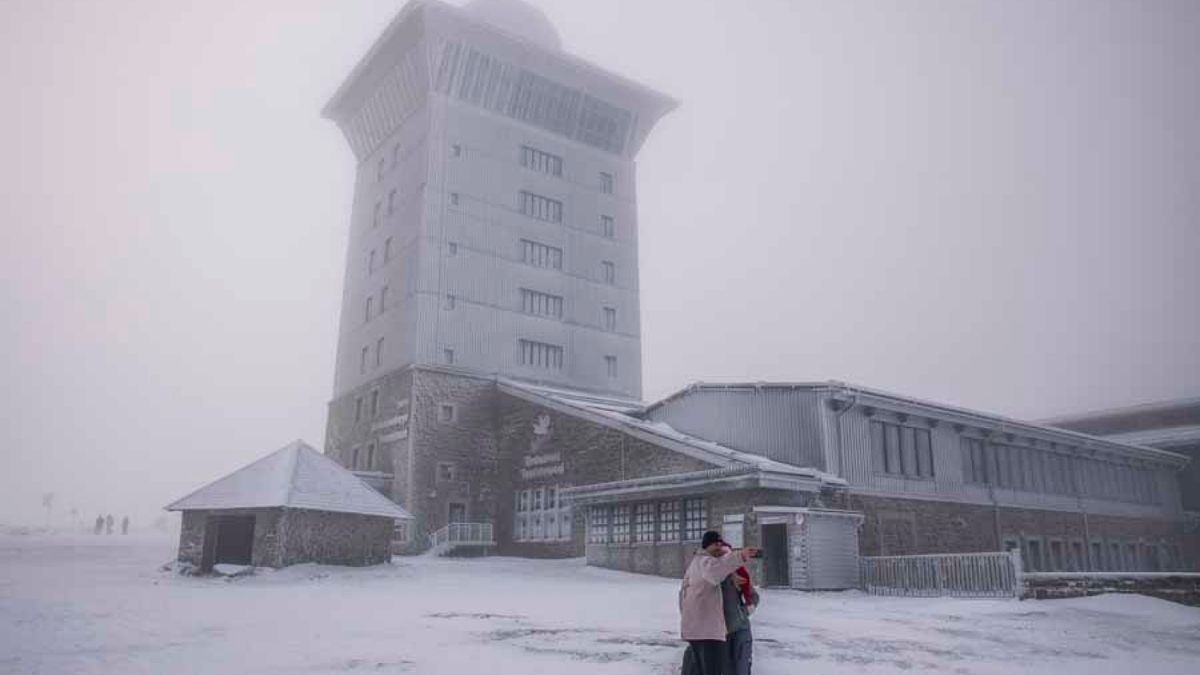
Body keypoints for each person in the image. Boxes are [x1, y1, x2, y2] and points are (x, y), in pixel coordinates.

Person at [679, 531, 759, 675]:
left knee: (739, 668)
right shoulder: (707, 568)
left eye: (721, 546)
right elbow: (684, 599)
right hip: (713, 633)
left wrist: (744, 612)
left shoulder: (734, 573)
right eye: (716, 545)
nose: (719, 549)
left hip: (737, 629)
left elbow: (753, 596)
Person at [718, 540, 759, 675]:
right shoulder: (713, 577)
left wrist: (744, 611)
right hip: (721, 632)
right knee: (726, 669)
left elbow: (754, 596)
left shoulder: (740, 575)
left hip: (740, 629)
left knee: (742, 668)